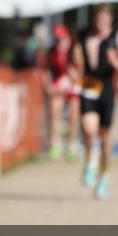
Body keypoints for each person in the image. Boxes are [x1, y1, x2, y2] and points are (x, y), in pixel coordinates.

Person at [73, 4, 118, 199]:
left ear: (111, 18)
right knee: (89, 129)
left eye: (104, 16)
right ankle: (90, 161)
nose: (100, 20)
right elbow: (76, 61)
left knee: (105, 137)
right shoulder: (84, 35)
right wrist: (74, 69)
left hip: (107, 87)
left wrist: (115, 62)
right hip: (88, 83)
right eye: (97, 16)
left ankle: (104, 176)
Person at [44, 24, 82, 161]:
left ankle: (72, 145)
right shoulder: (51, 52)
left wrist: (75, 76)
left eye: (62, 38)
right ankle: (55, 145)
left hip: (73, 85)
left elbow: (82, 70)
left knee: (74, 115)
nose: (59, 41)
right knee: (55, 113)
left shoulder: (75, 50)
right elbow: (47, 71)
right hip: (58, 85)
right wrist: (49, 86)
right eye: (57, 38)